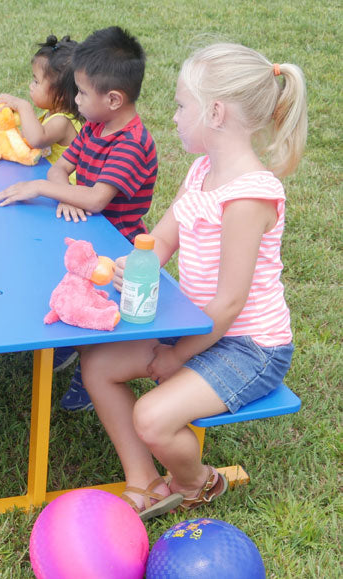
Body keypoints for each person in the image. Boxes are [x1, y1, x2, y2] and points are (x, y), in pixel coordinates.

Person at [77, 43, 307, 521]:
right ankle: (143, 482)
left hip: (248, 346)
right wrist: (126, 267)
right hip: (196, 325)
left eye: (183, 106)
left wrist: (175, 356)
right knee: (98, 363)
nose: (176, 116)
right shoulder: (204, 170)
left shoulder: (248, 197)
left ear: (216, 112)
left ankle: (197, 482)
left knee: (153, 418)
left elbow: (228, 303)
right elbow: (159, 241)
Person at [0, 27, 158, 412]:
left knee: (103, 310)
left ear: (113, 98)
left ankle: (92, 370)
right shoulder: (96, 127)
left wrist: (49, 190)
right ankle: (70, 340)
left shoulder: (131, 142)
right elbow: (61, 169)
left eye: (81, 93)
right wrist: (66, 192)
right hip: (88, 234)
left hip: (118, 249)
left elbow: (98, 198)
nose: (75, 100)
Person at [0, 35, 83, 184]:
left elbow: (36, 140)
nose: (31, 85)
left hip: (67, 187)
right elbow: (28, 137)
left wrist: (23, 107)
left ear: (61, 94)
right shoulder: (52, 112)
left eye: (36, 81)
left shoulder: (63, 121)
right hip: (45, 174)